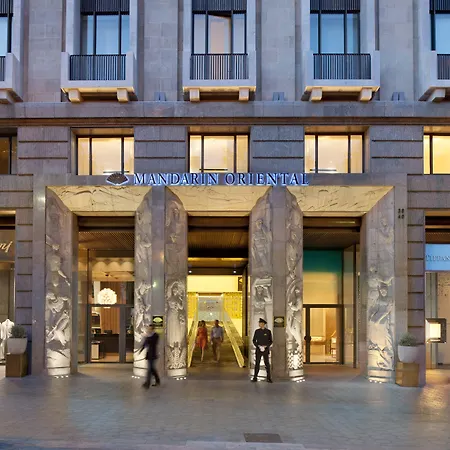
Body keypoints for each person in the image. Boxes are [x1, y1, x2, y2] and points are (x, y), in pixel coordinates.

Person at [251, 318, 273, 383]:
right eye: (259, 323)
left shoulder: (268, 331)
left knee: (267, 364)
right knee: (257, 363)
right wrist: (258, 346)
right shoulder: (257, 331)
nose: (259, 324)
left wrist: (266, 346)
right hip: (258, 350)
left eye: (260, 323)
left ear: (263, 324)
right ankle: (255, 377)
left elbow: (270, 341)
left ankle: (269, 378)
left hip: (265, 350)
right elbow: (254, 340)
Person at [139, 324, 161, 389]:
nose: (148, 330)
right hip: (149, 354)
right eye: (148, 328)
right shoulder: (149, 335)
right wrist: (141, 350)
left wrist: (148, 336)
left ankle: (147, 383)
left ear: (152, 329)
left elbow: (153, 343)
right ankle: (158, 380)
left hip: (153, 354)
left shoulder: (155, 335)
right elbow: (145, 344)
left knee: (149, 369)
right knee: (152, 369)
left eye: (150, 329)